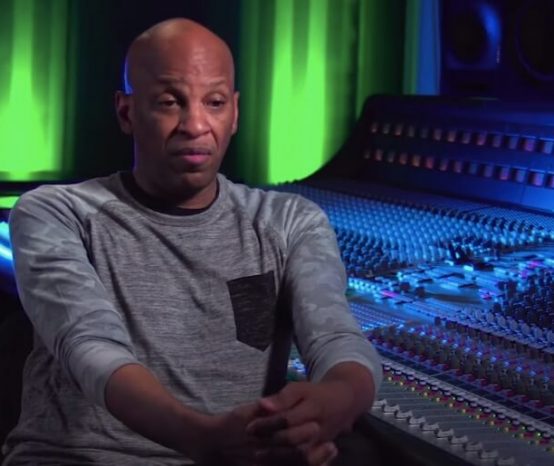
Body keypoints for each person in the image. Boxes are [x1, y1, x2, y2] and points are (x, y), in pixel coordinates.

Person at [3, 18, 383, 465]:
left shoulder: (291, 222)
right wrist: (201, 438)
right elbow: (90, 346)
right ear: (126, 112)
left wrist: (335, 402)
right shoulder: (55, 213)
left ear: (235, 113)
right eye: (170, 102)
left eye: (214, 102)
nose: (196, 124)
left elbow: (337, 337)